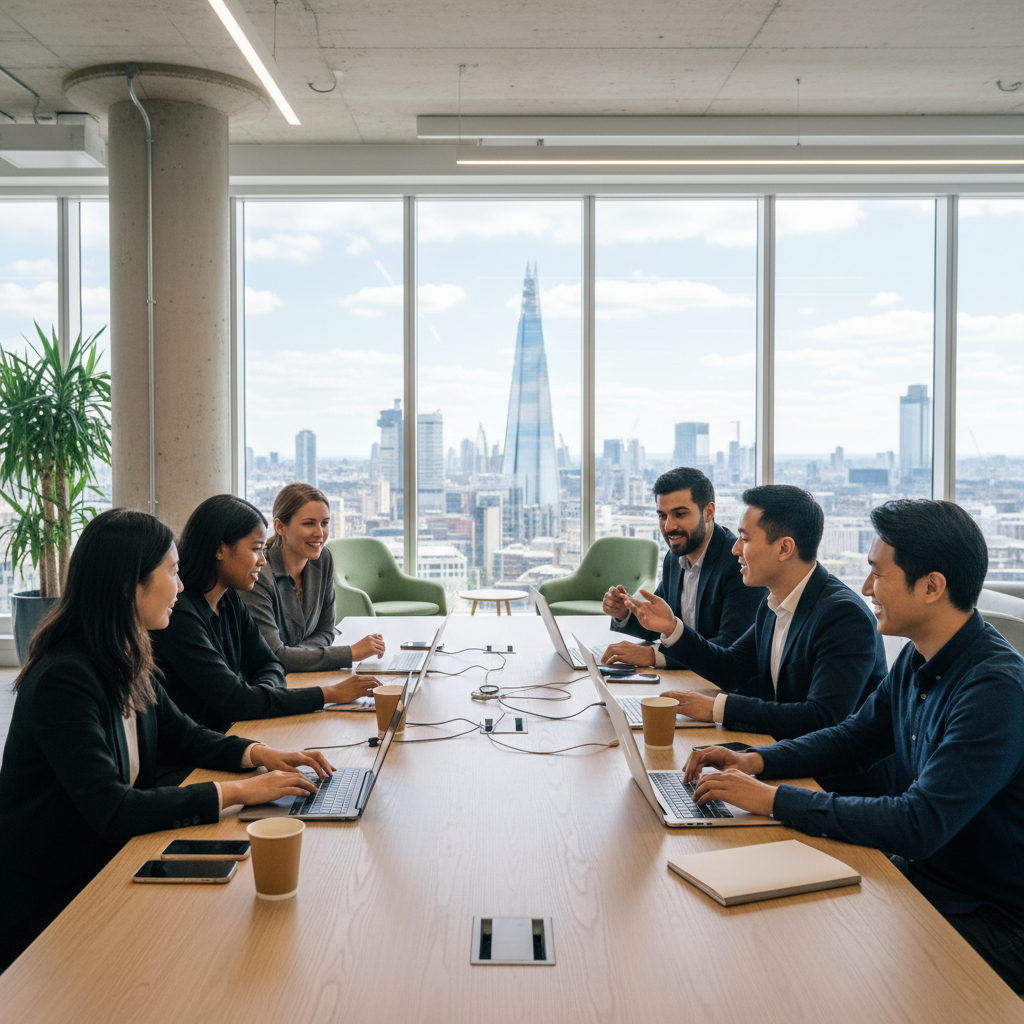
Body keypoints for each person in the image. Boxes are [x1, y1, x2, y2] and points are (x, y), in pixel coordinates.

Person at [683, 499, 1024, 994]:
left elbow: (918, 823)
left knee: (824, 970)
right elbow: (853, 737)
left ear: (932, 586)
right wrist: (755, 761)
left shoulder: (994, 689)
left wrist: (774, 799)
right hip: (929, 882)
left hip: (992, 919)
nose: (866, 589)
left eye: (877, 574)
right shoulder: (918, 656)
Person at [0, 509, 336, 972]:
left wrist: (261, 755)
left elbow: (185, 735)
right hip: (61, 895)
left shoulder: (125, 650)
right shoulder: (65, 678)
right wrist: (241, 791)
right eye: (172, 573)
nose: (180, 586)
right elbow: (113, 810)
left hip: (114, 862)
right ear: (127, 585)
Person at [623, 485, 889, 794]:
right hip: (780, 761)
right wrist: (671, 628)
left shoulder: (843, 616)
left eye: (745, 539)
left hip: (831, 787)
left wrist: (717, 709)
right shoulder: (773, 601)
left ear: (784, 548)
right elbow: (732, 666)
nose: (735, 549)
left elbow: (821, 718)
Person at [151, 494, 378, 736]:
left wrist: (261, 698)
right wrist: (329, 694)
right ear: (219, 550)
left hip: (234, 734)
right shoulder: (179, 615)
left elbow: (270, 663)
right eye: (256, 549)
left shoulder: (229, 598)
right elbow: (235, 700)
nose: (262, 561)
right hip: (202, 750)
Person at [601, 467, 764, 668]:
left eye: (679, 514)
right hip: (683, 680)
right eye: (662, 515)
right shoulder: (674, 558)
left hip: (719, 687)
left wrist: (655, 656)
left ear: (708, 512)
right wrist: (623, 614)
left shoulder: (738, 563)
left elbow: (729, 648)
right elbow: (660, 627)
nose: (669, 526)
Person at [239, 482, 385, 672]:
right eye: (309, 523)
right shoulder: (259, 573)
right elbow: (272, 655)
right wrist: (349, 653)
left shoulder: (322, 559)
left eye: (324, 523)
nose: (320, 533)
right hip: (264, 684)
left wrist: (294, 656)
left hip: (302, 675)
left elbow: (326, 630)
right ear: (280, 527)